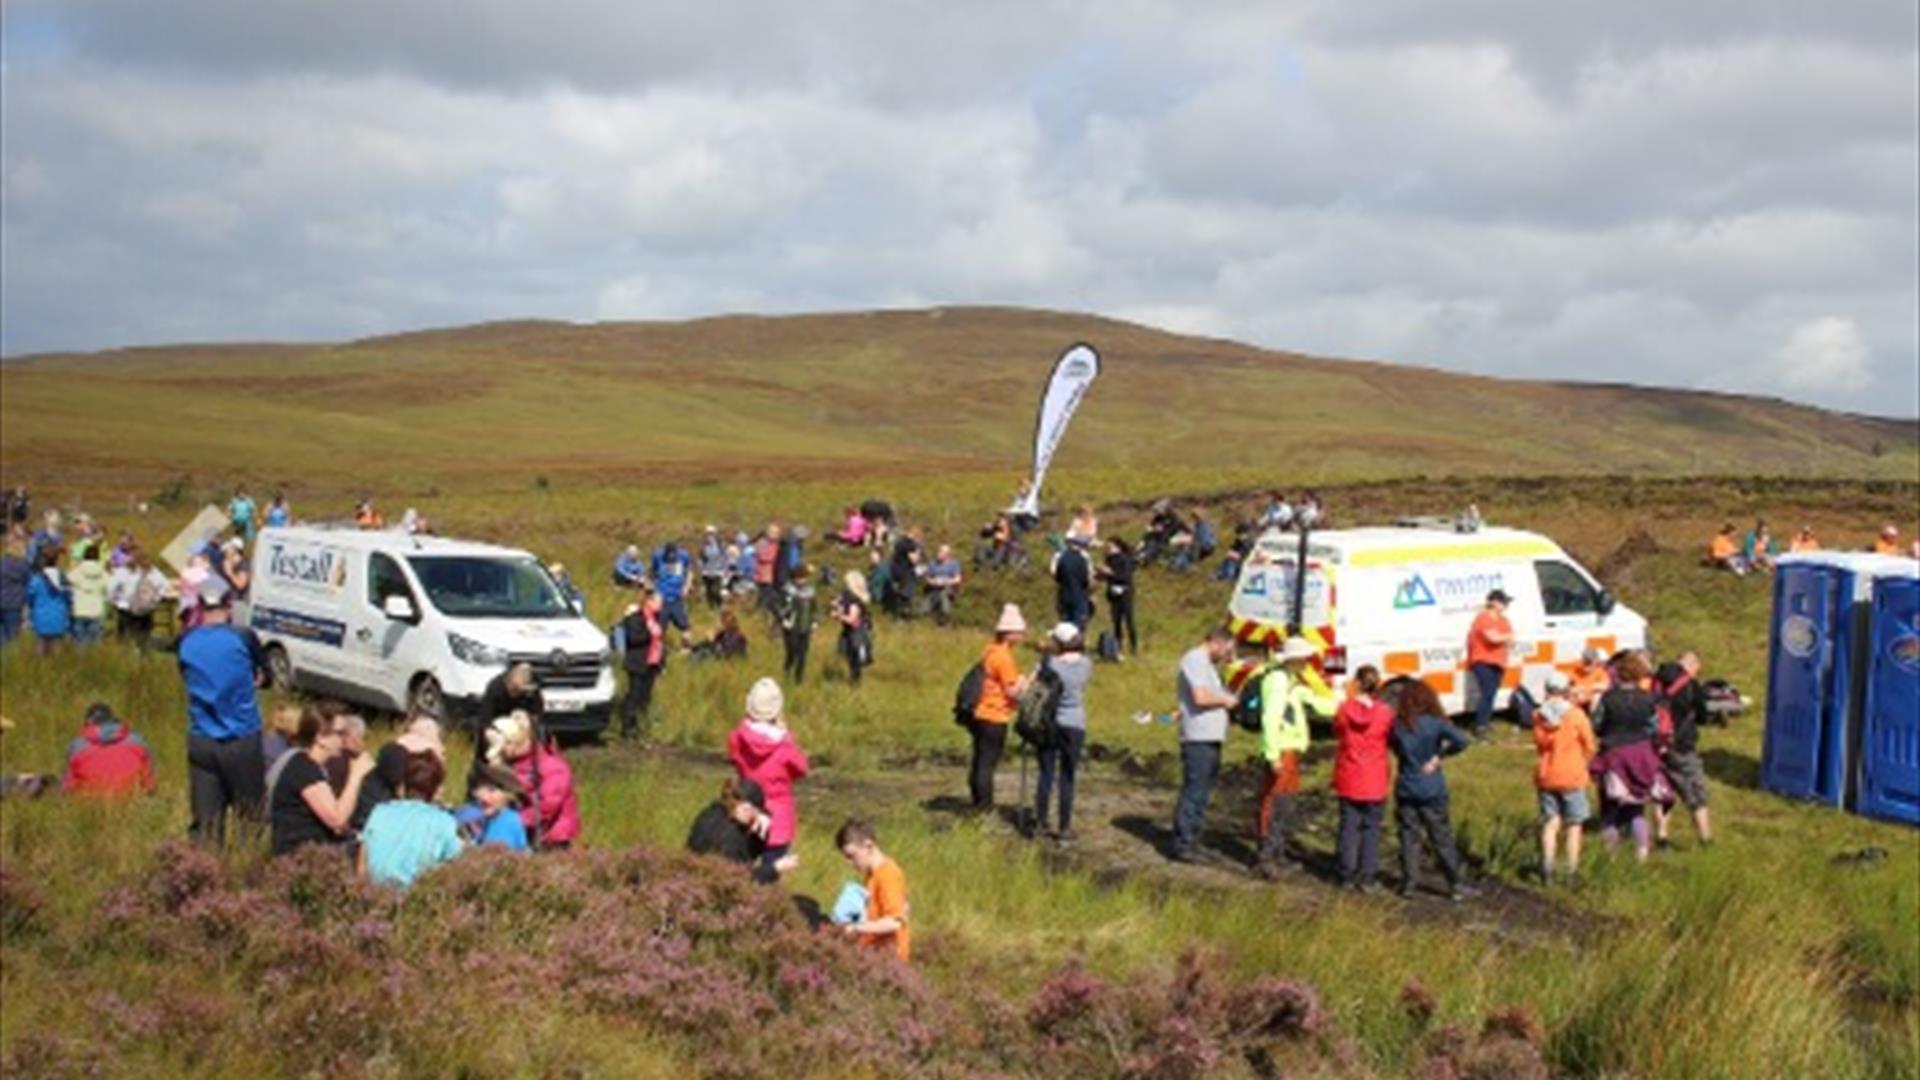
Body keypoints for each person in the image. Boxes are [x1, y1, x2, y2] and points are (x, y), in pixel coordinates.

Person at [177, 576, 269, 846]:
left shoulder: (186, 641)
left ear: (199, 607)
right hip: (241, 737)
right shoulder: (243, 637)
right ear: (229, 606)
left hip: (201, 739)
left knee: (206, 823)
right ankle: (246, 865)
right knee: (250, 818)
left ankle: (204, 869)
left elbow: (185, 675)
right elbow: (266, 675)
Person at [1254, 636, 1336, 878]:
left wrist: (1348, 704)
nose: (1308, 662)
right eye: (1305, 658)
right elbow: (1271, 717)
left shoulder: (1289, 680)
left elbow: (1317, 703)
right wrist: (1272, 754)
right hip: (1282, 750)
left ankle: (1277, 853)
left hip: (1288, 749)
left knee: (1285, 803)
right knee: (1276, 802)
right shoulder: (1279, 681)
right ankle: (1268, 857)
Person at [1389, 681, 1474, 900]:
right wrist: (1439, 756)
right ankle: (1455, 883)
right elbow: (1462, 740)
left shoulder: (1398, 725)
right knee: (1441, 837)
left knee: (1409, 836)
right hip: (1431, 787)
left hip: (1407, 785)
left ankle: (1409, 883)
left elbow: (1394, 747)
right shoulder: (1436, 723)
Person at [1589, 653, 1673, 863]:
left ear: (1619, 672)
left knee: (1609, 809)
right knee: (1636, 808)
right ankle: (1642, 855)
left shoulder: (1608, 698)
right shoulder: (1648, 699)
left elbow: (1597, 724)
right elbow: (1654, 727)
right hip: (1641, 754)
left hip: (1613, 754)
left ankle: (1611, 857)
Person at [727, 679, 810, 878]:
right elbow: (802, 769)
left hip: (747, 812)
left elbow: (734, 759)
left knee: (739, 874)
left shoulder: (736, 737)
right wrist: (787, 736)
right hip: (778, 819)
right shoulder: (784, 746)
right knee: (769, 876)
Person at [1170, 627, 1239, 862]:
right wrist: (1227, 700)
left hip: (1210, 736)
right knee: (1195, 789)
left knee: (1203, 791)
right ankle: (1183, 843)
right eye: (1227, 650)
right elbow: (1200, 697)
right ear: (1217, 642)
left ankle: (1194, 838)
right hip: (1198, 737)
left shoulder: (1208, 665)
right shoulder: (1195, 660)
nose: (1228, 655)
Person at [269, 705, 372, 857]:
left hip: (312, 849)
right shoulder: (303, 768)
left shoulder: (311, 766)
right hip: (300, 855)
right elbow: (337, 819)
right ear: (320, 737)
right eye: (340, 733)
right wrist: (356, 775)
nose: (345, 740)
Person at [359, 751, 462, 889]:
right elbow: (458, 863)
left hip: (375, 891)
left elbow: (362, 862)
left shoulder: (380, 811)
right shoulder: (444, 821)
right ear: (436, 789)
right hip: (415, 893)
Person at [1331, 667, 1393, 891]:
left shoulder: (1344, 709)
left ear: (1356, 683)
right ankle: (1367, 876)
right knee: (1371, 829)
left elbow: (1338, 730)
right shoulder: (1385, 712)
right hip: (1374, 777)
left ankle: (1346, 874)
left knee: (1349, 826)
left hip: (1349, 773)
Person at [1533, 673, 1596, 885]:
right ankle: (1571, 870)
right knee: (1574, 824)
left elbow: (1539, 743)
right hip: (1572, 774)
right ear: (1566, 690)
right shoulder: (1576, 715)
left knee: (1551, 822)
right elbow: (1589, 745)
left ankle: (1547, 867)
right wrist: (1583, 760)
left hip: (1546, 773)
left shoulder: (1538, 715)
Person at [1034, 624, 1094, 841]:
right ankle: (1064, 826)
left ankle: (1041, 822)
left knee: (1046, 773)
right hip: (1075, 722)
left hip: (1049, 722)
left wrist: (1045, 653)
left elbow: (1036, 686)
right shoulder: (1086, 664)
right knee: (1068, 775)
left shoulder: (1048, 664)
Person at [487, 711, 580, 851]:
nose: (502, 754)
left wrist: (512, 820)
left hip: (552, 840)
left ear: (513, 744)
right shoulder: (517, 764)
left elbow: (546, 807)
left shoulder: (553, 768)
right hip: (527, 833)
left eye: (502, 749)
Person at [970, 605, 1030, 813]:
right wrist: (1024, 682)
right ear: (1009, 633)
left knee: (979, 759)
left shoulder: (990, 650)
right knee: (988, 762)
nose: (1022, 636)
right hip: (995, 713)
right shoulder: (1004, 658)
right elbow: (1012, 691)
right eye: (1020, 632)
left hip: (980, 711)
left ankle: (978, 801)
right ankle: (984, 806)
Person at [1653, 652, 1714, 849]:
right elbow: (1703, 716)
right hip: (1681, 745)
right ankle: (1706, 841)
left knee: (1662, 792)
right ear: (1691, 665)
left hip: (1655, 745)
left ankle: (1662, 837)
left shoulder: (1657, 678)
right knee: (1696, 793)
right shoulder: (1691, 685)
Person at [686, 776, 795, 883]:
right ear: (746, 808)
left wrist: (763, 819)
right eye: (754, 811)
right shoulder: (730, 837)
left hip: (692, 876)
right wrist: (775, 868)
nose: (754, 816)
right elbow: (740, 880)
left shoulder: (713, 812)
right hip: (709, 886)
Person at [835, 818, 911, 962]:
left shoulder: (888, 875)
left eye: (852, 856)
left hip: (889, 961)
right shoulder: (873, 874)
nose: (850, 863)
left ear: (868, 846)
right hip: (874, 955)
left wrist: (856, 928)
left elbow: (894, 922)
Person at [62, 702, 156, 797]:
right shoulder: (137, 741)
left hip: (91, 800)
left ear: (88, 723)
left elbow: (66, 787)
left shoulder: (78, 746)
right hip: (132, 799)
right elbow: (149, 783)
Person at [616, 587, 666, 740]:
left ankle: (639, 727)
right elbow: (633, 638)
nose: (661, 605)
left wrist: (662, 662)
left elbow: (660, 641)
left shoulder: (657, 619)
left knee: (645, 697)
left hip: (652, 663)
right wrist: (649, 633)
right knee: (634, 695)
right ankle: (626, 727)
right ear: (649, 602)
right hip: (637, 662)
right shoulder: (636, 618)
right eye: (658, 602)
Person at [1465, 589, 1514, 738]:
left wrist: (1504, 637)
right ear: (1493, 602)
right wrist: (1505, 637)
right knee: (1487, 692)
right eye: (1503, 602)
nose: (1505, 605)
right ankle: (1480, 725)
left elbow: (1509, 639)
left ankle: (1485, 721)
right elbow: (1492, 638)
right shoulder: (1483, 618)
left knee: (1491, 693)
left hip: (1499, 662)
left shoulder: (1504, 620)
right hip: (1482, 661)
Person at [456, 763, 530, 851]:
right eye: (479, 788)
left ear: (508, 796)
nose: (481, 795)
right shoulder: (492, 817)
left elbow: (492, 855)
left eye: (491, 790)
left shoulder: (505, 822)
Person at [26, 546, 71, 654]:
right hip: (59, 616)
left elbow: (30, 597)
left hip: (40, 616)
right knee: (57, 648)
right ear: (57, 560)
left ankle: (39, 665)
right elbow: (69, 598)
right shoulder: (63, 578)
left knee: (40, 647)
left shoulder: (37, 579)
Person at [779, 563, 818, 682]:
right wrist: (784, 619)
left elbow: (814, 608)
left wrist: (814, 621)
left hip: (805, 626)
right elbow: (783, 607)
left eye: (804, 577)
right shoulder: (788, 590)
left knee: (803, 655)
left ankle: (799, 679)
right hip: (792, 626)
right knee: (792, 652)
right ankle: (787, 672)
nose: (802, 580)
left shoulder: (810, 590)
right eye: (800, 577)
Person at [835, 571, 874, 686]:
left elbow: (852, 620)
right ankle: (855, 683)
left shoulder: (854, 601)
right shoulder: (857, 598)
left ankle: (855, 685)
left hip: (856, 634)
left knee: (854, 661)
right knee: (853, 661)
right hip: (856, 632)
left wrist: (839, 616)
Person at [68, 541, 109, 646]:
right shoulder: (102, 573)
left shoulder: (78, 571)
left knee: (80, 643)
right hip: (96, 610)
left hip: (80, 609)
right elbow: (109, 586)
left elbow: (69, 580)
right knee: (95, 644)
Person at [651, 542, 693, 642]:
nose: (671, 558)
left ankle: (686, 647)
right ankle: (659, 648)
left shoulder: (683, 556)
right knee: (659, 628)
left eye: (673, 555)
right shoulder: (657, 556)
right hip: (662, 598)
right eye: (669, 556)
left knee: (685, 626)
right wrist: (655, 592)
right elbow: (653, 573)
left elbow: (689, 571)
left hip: (677, 597)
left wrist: (687, 586)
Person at [1053, 534, 1093, 632]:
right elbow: (1085, 579)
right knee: (1078, 621)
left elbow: (1057, 576)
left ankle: (1065, 639)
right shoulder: (1082, 559)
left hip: (1064, 593)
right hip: (1079, 593)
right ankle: (1077, 639)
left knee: (1065, 621)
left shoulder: (1062, 558)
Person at [0, 532, 30, 647]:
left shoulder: (2, 563)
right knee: (13, 636)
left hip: (2, 600)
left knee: (2, 634)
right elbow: (28, 583)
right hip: (15, 603)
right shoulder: (24, 565)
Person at [922, 544, 963, 625]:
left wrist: (946, 581)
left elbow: (958, 579)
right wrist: (932, 581)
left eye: (941, 552)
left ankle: (946, 619)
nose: (938, 553)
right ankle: (927, 618)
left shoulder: (954, 564)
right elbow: (927, 577)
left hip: (949, 588)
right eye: (939, 551)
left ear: (947, 554)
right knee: (924, 609)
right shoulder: (933, 563)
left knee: (943, 595)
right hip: (934, 588)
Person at [753, 525, 783, 613]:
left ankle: (762, 612)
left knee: (767, 595)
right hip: (761, 574)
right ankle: (758, 612)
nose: (773, 534)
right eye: (771, 532)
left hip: (769, 574)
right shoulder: (764, 543)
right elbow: (761, 555)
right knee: (762, 594)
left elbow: (769, 557)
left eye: (775, 533)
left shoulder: (775, 545)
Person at [698, 526, 729, 609]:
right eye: (708, 534)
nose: (710, 536)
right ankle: (711, 607)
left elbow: (725, 557)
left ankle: (719, 604)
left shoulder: (720, 545)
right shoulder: (703, 546)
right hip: (706, 572)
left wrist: (725, 569)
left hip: (718, 571)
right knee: (709, 591)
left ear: (715, 534)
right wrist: (701, 566)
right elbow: (700, 558)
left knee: (716, 590)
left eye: (711, 534)